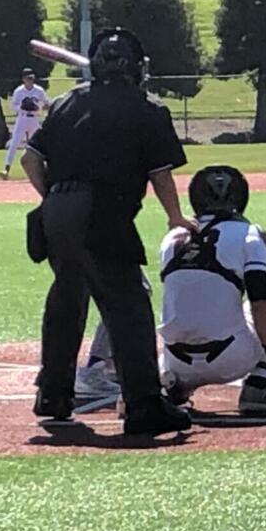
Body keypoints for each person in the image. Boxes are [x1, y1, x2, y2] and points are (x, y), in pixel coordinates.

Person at [20, 28, 196, 436]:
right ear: (136, 68)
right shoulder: (147, 110)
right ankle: (144, 405)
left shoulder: (66, 103)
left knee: (67, 300)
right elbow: (159, 173)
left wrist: (57, 198)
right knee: (128, 306)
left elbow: (31, 159)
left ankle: (53, 394)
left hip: (57, 213)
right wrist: (175, 217)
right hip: (102, 213)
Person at [73, 166, 266, 415]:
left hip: (176, 361)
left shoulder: (172, 237)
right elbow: (260, 300)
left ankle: (171, 385)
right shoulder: (250, 234)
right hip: (232, 359)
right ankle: (261, 385)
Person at [0, 68, 49, 180]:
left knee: (38, 145)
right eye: (28, 78)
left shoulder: (39, 90)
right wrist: (22, 107)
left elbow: (47, 104)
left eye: (32, 78)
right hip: (22, 119)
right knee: (14, 143)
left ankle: (45, 170)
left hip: (34, 119)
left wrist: (39, 106)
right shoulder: (19, 91)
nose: (30, 80)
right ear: (23, 79)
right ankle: (6, 169)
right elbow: (13, 106)